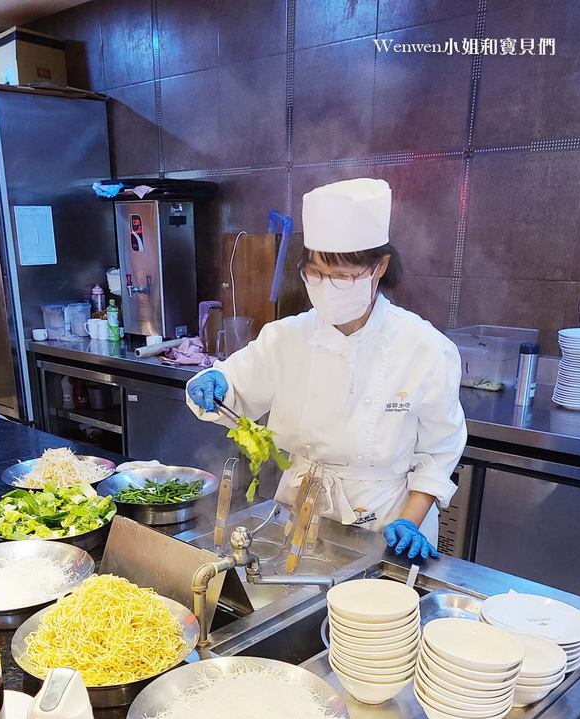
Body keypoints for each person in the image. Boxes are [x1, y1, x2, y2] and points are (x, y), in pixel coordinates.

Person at [186, 178, 467, 560]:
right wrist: (212, 381)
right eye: (315, 273)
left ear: (379, 266)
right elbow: (235, 389)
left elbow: (441, 452)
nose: (327, 287)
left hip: (387, 525)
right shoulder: (286, 337)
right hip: (299, 517)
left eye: (343, 276)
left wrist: (410, 520)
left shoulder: (425, 348)